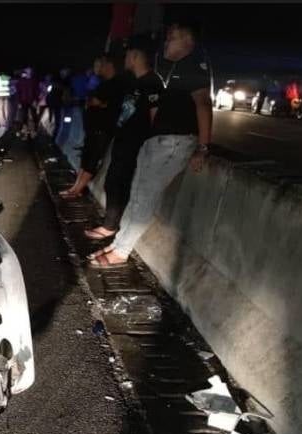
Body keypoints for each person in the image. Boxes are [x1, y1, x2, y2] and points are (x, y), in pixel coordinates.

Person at [88, 18, 213, 268]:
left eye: (173, 37)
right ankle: (119, 242)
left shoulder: (193, 67)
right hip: (156, 142)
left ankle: (121, 252)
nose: (167, 40)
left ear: (187, 42)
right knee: (136, 196)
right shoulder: (169, 67)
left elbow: (204, 105)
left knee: (145, 198)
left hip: (174, 143)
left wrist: (202, 147)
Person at [83, 35, 162, 243]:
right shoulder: (131, 81)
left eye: (128, 56)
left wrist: (150, 142)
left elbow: (156, 116)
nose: (125, 60)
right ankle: (109, 221)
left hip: (134, 142)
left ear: (135, 57)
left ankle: (110, 227)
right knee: (112, 181)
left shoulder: (152, 82)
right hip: (122, 138)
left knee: (118, 182)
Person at [59, 52, 124, 199]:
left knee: (92, 159)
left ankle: (76, 190)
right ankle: (75, 187)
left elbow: (96, 101)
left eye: (99, 64)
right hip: (93, 128)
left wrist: (93, 101)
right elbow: (92, 100)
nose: (96, 67)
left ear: (108, 65)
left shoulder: (114, 84)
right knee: (86, 157)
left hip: (102, 129)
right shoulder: (102, 83)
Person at [15, 67, 41, 139]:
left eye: (30, 71)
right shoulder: (21, 81)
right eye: (27, 71)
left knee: (34, 115)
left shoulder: (34, 80)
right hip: (23, 101)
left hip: (32, 101)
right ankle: (25, 131)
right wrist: (19, 102)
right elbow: (18, 92)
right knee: (24, 116)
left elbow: (37, 91)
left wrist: (36, 100)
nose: (28, 72)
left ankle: (35, 131)